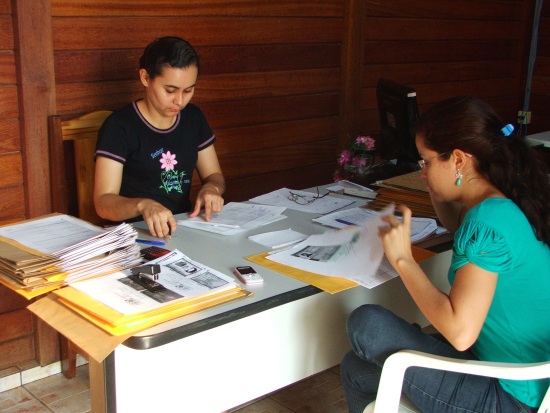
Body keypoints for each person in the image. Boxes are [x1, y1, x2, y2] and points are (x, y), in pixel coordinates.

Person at [340, 96, 550, 413]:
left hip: (512, 397)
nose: (421, 171)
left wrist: (402, 260)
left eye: (425, 162)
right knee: (355, 369)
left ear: (458, 160)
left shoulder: (488, 221)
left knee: (368, 323)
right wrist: (436, 184)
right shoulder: (507, 198)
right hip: (526, 377)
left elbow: (461, 333)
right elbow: (459, 224)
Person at [94, 36, 225, 238]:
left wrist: (212, 188)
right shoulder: (120, 126)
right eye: (170, 90)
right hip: (132, 234)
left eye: (188, 90)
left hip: (180, 227)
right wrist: (144, 206)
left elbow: (214, 175)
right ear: (145, 78)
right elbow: (103, 202)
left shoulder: (193, 117)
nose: (179, 101)